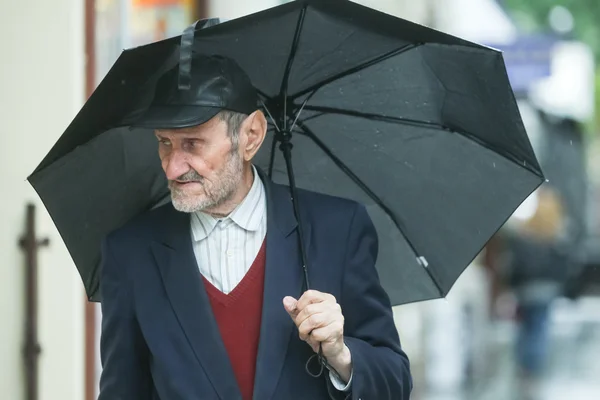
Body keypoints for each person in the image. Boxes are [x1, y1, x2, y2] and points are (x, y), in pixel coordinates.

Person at [98, 54, 412, 400]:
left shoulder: (338, 229)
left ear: (251, 135)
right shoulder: (131, 252)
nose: (172, 168)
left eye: (192, 144)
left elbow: (394, 383)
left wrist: (341, 355)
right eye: (164, 142)